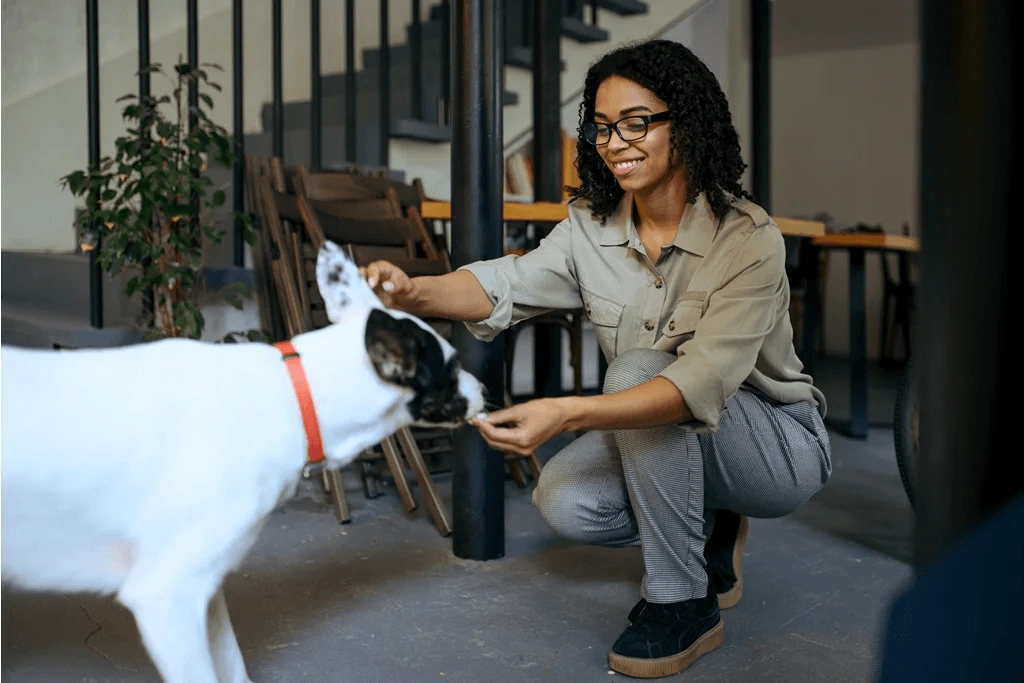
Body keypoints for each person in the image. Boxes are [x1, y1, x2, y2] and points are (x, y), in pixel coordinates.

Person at [362, 39, 832, 678]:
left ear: (684, 123)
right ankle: (709, 527)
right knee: (565, 500)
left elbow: (697, 381)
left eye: (637, 122)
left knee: (641, 369)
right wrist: (413, 291)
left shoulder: (748, 238)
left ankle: (681, 602)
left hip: (775, 447)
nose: (616, 141)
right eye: (603, 127)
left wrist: (564, 413)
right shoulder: (590, 225)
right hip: (670, 434)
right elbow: (505, 284)